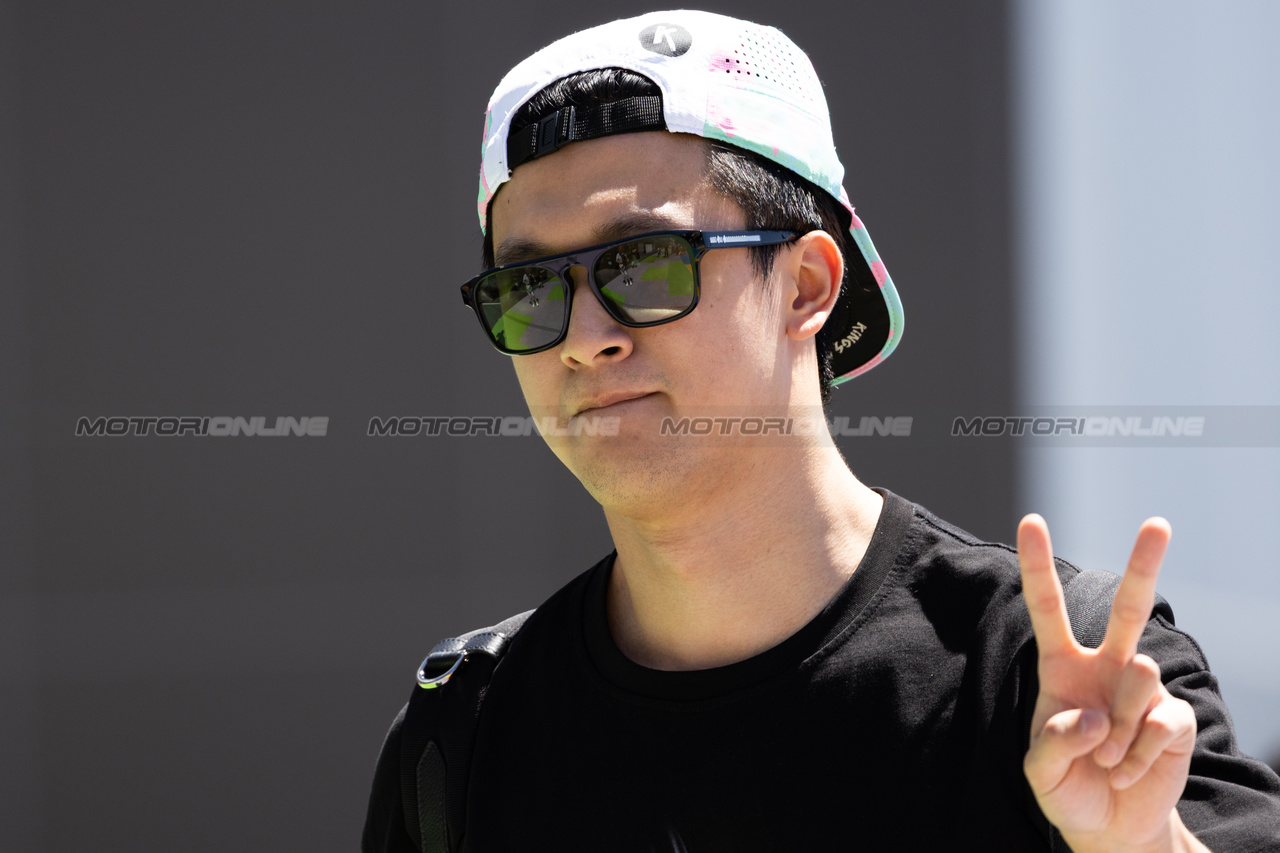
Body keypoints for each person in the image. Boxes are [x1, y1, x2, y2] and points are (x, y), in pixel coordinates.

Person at [363, 11, 1280, 852]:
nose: (587, 338)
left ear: (807, 286)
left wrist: (1138, 844)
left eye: (643, 264)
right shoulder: (466, 735)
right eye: (530, 290)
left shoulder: (1059, 688)